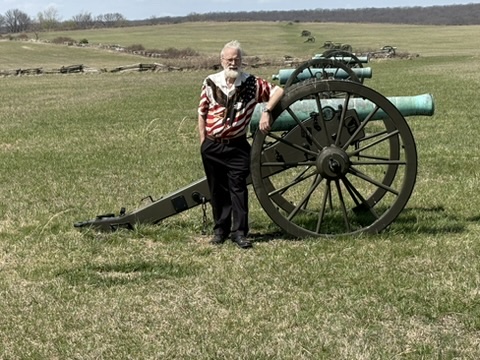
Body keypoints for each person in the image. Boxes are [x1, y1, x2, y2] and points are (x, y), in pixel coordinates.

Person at [197, 40, 284, 249]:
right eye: (229, 60)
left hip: (237, 145)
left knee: (238, 189)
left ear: (242, 61)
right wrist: (203, 142)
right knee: (217, 190)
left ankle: (240, 232)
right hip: (212, 145)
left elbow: (278, 91)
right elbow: (201, 112)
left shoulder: (251, 84)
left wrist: (267, 111)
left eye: (237, 59)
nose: (233, 63)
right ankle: (220, 230)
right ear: (222, 61)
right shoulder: (210, 82)